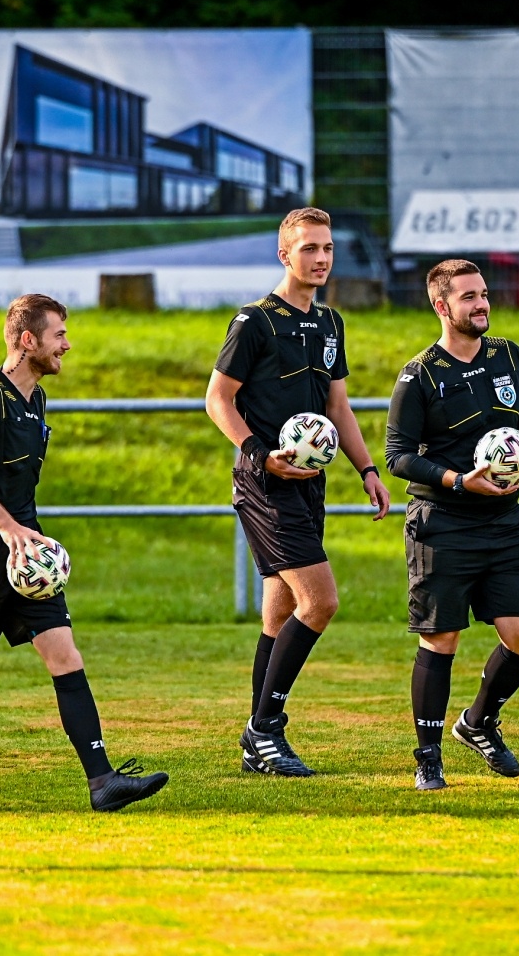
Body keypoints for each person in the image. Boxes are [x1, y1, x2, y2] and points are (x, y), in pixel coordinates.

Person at [0, 294, 169, 813]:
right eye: (58, 335)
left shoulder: (36, 400)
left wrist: (26, 537)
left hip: (30, 554)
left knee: (65, 654)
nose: (67, 344)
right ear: (28, 341)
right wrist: (6, 529)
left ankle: (103, 781)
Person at [205, 207, 392, 777]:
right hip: (266, 481)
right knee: (321, 601)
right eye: (309, 248)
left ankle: (256, 743)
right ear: (284, 254)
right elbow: (218, 399)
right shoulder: (254, 321)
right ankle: (265, 730)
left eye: (328, 248)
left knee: (281, 609)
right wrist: (260, 453)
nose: (321, 258)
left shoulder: (330, 323)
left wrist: (367, 470)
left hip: (312, 483)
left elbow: (338, 407)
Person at [384, 259, 519, 791]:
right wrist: (456, 479)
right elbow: (398, 456)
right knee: (441, 640)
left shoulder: (508, 355)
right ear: (441, 306)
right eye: (469, 297)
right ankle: (427, 757)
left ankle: (478, 722)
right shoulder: (419, 374)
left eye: (484, 294)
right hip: (443, 522)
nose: (482, 305)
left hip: (502, 522)